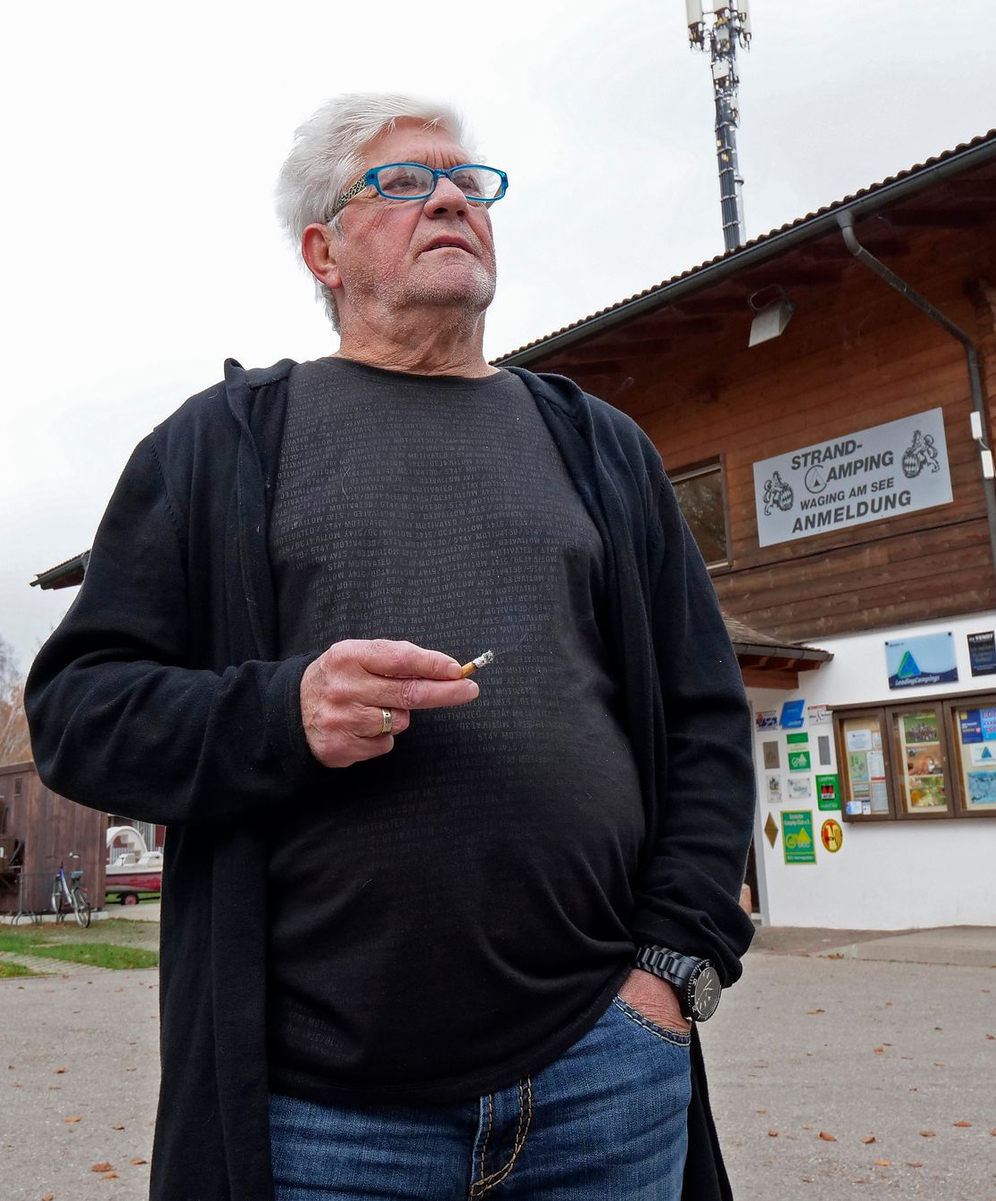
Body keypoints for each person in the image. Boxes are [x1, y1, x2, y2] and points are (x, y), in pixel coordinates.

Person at [26, 94, 755, 1201]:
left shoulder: (599, 447)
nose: (456, 196)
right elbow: (78, 711)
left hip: (602, 1078)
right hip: (318, 1112)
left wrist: (672, 968)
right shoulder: (220, 447)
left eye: (470, 181)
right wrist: (283, 712)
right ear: (322, 251)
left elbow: (704, 718)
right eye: (406, 181)